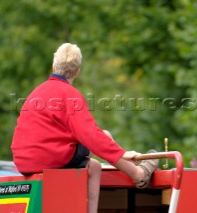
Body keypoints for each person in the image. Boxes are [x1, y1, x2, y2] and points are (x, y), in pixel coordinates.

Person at [11, 43, 159, 213]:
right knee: (105, 135)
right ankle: (139, 175)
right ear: (77, 72)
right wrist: (122, 153)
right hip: (51, 157)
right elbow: (90, 135)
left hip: (24, 160)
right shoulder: (70, 95)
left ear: (53, 66)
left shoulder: (36, 93)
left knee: (94, 166)